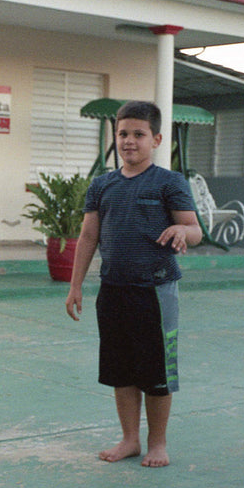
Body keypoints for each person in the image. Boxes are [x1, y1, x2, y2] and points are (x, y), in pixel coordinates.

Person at [65, 101, 202, 468]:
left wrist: (181, 230)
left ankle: (158, 443)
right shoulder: (102, 184)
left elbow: (195, 230)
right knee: (120, 370)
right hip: (113, 290)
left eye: (138, 134)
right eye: (123, 133)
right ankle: (130, 439)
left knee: (155, 372)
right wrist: (75, 285)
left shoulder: (168, 182)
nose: (129, 141)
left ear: (155, 139)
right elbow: (89, 235)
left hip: (155, 291)